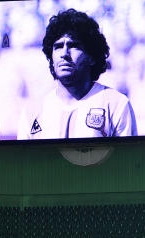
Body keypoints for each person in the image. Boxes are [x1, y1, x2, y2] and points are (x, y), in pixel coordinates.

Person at [18, 9, 136, 140]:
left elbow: (128, 159)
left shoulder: (116, 104)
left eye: (73, 46)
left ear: (91, 56)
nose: (64, 54)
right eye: (58, 47)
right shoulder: (33, 111)